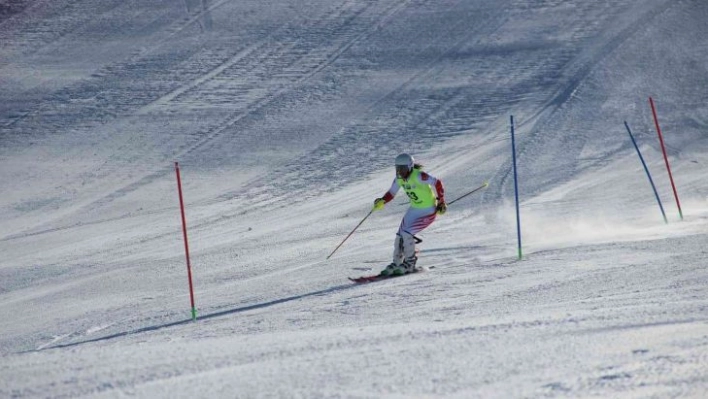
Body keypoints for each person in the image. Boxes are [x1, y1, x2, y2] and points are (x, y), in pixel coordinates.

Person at [373, 153, 446, 276]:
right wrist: (382, 201)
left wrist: (441, 202)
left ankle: (410, 263)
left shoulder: (419, 176)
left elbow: (437, 183)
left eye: (403, 169)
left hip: (428, 210)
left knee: (407, 233)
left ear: (410, 167)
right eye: (398, 169)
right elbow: (391, 193)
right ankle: (396, 263)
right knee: (399, 235)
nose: (400, 172)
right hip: (414, 209)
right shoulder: (399, 179)